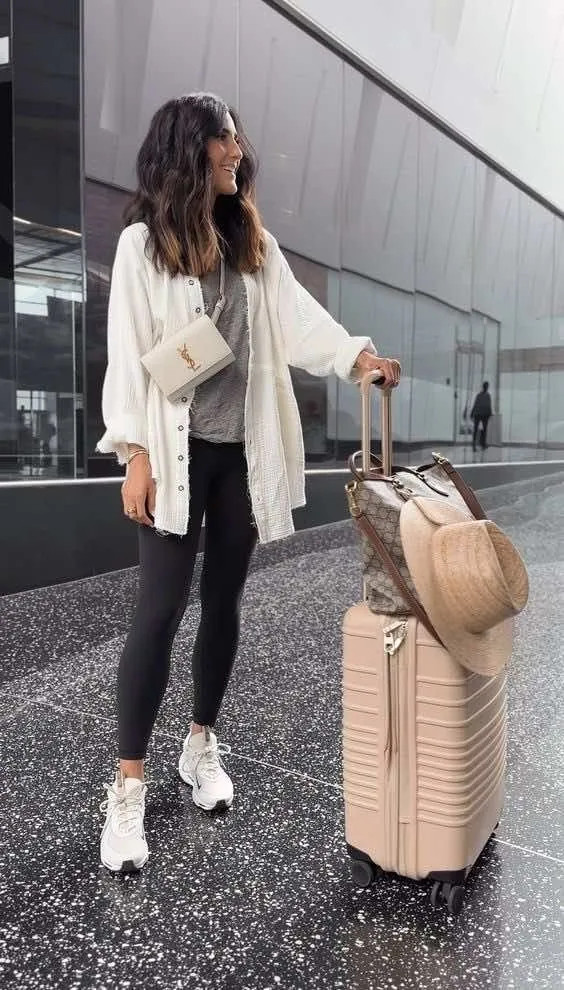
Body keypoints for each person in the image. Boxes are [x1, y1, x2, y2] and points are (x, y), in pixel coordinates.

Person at [96, 92, 401, 873]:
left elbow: (299, 319)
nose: (239, 151)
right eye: (225, 139)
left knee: (225, 603)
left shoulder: (251, 245)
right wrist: (134, 452)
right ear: (189, 148)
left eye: (236, 140)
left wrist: (358, 358)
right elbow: (130, 353)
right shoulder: (143, 245)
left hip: (238, 456)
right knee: (159, 612)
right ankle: (127, 788)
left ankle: (200, 744)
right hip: (176, 454)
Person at [471, 382, 492, 452]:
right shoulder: (485, 395)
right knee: (481, 430)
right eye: (486, 386)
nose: (486, 387)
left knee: (481, 430)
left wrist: (490, 413)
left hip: (482, 414)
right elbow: (488, 405)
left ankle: (481, 444)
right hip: (481, 414)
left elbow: (488, 405)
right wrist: (490, 413)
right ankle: (479, 445)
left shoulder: (480, 395)